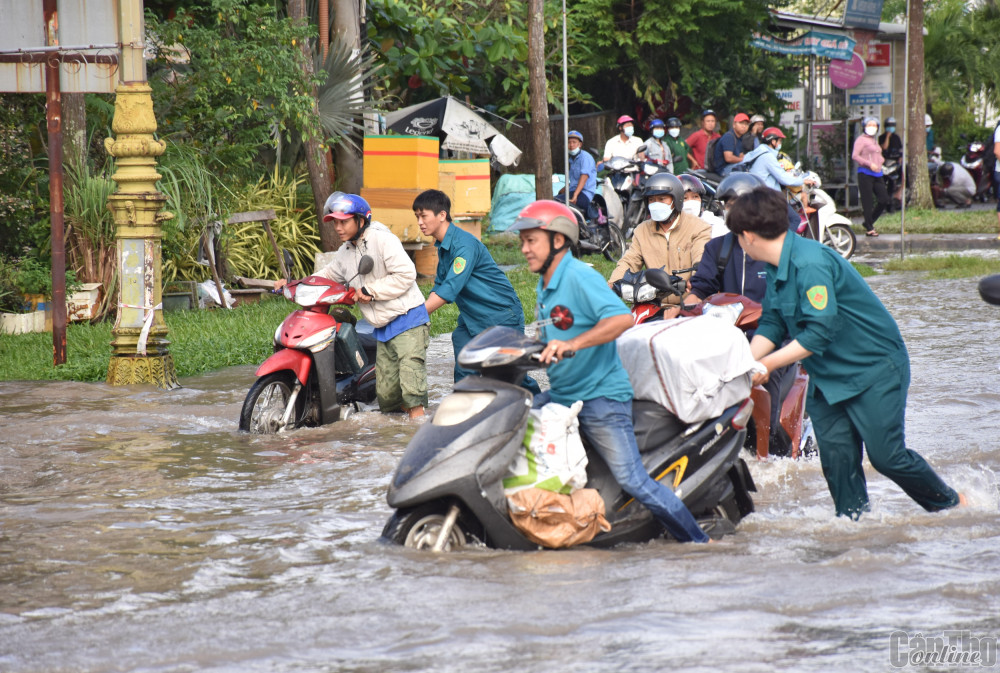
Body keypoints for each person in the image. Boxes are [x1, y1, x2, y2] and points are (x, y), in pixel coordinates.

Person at [726, 185, 966, 518]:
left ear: (748, 236)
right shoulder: (779, 269)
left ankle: (953, 506)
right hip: (828, 379)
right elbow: (771, 324)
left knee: (887, 458)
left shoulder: (809, 264)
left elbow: (819, 333)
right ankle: (854, 527)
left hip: (873, 369)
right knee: (838, 463)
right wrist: (743, 366)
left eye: (737, 236)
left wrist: (766, 365)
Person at [507, 199, 711, 543]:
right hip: (563, 395)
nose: (524, 249)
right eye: (522, 241)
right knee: (510, 427)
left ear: (558, 241)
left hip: (600, 398)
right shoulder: (545, 282)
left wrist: (573, 345)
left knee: (634, 479)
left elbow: (620, 319)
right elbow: (558, 332)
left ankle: (700, 542)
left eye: (531, 241)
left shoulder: (580, 276)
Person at [276, 193, 429, 419]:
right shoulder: (345, 252)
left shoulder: (382, 240)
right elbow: (327, 275)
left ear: (360, 220)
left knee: (412, 393)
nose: (338, 227)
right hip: (383, 329)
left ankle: (419, 437)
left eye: (343, 221)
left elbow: (407, 274)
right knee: (388, 399)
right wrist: (295, 284)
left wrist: (371, 290)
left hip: (408, 321)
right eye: (335, 222)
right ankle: (396, 443)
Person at [683, 172, 792, 456]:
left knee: (770, 413)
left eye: (739, 203)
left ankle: (775, 455)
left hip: (770, 341)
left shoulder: (779, 249)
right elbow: (701, 287)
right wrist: (687, 307)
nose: (734, 210)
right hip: (722, 340)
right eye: (728, 204)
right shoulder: (717, 248)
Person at [413, 190, 536, 391]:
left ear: (442, 215)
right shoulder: (444, 246)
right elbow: (439, 286)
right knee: (464, 369)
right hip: (472, 321)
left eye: (423, 215)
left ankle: (540, 410)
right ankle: (464, 414)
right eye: (417, 216)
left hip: (501, 317)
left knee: (510, 377)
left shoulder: (463, 245)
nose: (419, 222)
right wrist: (412, 311)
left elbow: (450, 288)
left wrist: (412, 317)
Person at [608, 173, 711, 318]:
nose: (656, 204)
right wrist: (611, 284)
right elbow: (629, 261)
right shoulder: (642, 230)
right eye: (652, 200)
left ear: (676, 200)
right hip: (652, 303)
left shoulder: (698, 227)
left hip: (689, 305)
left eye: (662, 199)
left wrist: (694, 281)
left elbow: (701, 257)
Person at [744, 127, 816, 193]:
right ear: (773, 141)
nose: (780, 143)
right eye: (780, 141)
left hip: (759, 193)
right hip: (767, 197)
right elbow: (783, 178)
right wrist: (802, 181)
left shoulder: (758, 152)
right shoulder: (767, 157)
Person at [851, 116, 890, 237]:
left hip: (877, 173)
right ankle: (869, 228)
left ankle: (869, 221)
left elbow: (877, 154)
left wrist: (881, 161)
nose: (872, 128)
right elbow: (855, 156)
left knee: (884, 199)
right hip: (865, 173)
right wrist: (869, 164)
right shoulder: (861, 140)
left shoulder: (874, 140)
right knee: (867, 201)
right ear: (864, 127)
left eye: (874, 125)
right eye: (869, 125)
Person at [560, 130, 597, 215]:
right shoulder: (571, 160)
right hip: (573, 192)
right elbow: (575, 181)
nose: (571, 145)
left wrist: (575, 195)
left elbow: (584, 177)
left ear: (580, 145)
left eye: (574, 142)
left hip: (584, 194)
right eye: (569, 142)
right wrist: (564, 189)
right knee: (553, 200)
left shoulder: (585, 157)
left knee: (556, 203)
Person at [678, 173, 727, 237]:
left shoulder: (715, 224)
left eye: (695, 197)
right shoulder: (668, 226)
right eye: (685, 198)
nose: (690, 201)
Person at [714, 113, 750, 177]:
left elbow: (741, 155)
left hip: (732, 166)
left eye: (746, 124)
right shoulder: (729, 137)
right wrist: (743, 160)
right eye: (741, 123)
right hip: (723, 169)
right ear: (734, 125)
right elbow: (728, 158)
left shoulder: (739, 138)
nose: (744, 126)